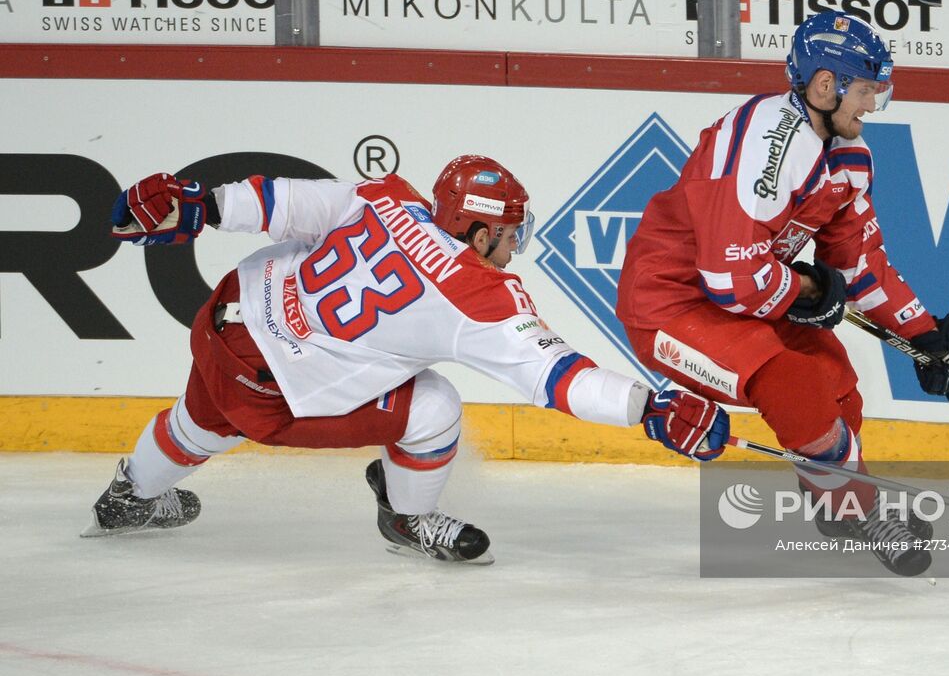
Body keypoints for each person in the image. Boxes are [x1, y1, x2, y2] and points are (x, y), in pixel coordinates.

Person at [82, 156, 729, 563]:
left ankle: (127, 496)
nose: (511, 250)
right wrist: (650, 407)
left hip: (226, 317)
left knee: (200, 421)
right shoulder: (479, 293)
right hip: (267, 386)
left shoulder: (388, 196)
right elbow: (555, 375)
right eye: (507, 236)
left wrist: (204, 202)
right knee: (437, 407)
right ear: (479, 232)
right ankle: (407, 515)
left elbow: (290, 203)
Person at [616, 11, 949, 577]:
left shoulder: (848, 157)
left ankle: (840, 508)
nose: (872, 106)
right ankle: (859, 507)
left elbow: (858, 263)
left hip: (749, 293)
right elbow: (731, 281)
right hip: (670, 303)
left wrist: (926, 335)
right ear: (823, 85)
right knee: (792, 381)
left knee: (836, 381)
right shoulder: (763, 143)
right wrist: (811, 287)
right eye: (866, 92)